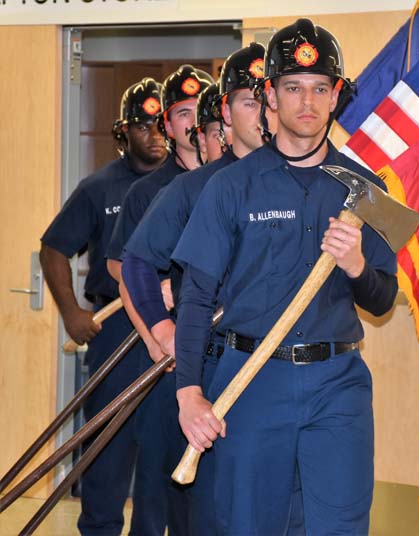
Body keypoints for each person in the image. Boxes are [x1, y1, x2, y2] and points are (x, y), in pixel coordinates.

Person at [173, 19, 398, 534]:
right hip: (250, 381)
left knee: (339, 525)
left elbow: (384, 300)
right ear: (270, 95)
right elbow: (196, 298)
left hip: (337, 387)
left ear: (336, 95)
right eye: (293, 88)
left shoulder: (364, 190)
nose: (307, 102)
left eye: (321, 88)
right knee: (250, 525)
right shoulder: (231, 187)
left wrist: (358, 266)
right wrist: (189, 394)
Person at [120, 43, 305, 535]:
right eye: (249, 101)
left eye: (269, 99)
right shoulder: (197, 187)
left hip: (282, 376)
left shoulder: (302, 179)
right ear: (224, 112)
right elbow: (137, 262)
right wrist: (161, 331)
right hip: (205, 370)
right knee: (200, 513)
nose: (263, 112)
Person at [39, 77, 167, 536]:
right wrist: (72, 313)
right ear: (122, 133)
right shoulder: (99, 188)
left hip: (166, 325)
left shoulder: (183, 183)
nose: (154, 133)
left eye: (160, 122)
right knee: (107, 452)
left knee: (162, 448)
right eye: (142, 125)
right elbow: (53, 248)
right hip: (115, 329)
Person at [107, 64, 213, 536]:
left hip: (216, 357)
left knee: (203, 494)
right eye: (182, 114)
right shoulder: (146, 191)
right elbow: (125, 269)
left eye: (200, 113)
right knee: (153, 488)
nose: (192, 125)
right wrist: (153, 335)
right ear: (167, 126)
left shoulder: (230, 183)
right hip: (163, 358)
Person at [190, 82, 228, 166]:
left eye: (236, 135)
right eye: (219, 136)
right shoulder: (188, 179)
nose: (227, 146)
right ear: (202, 140)